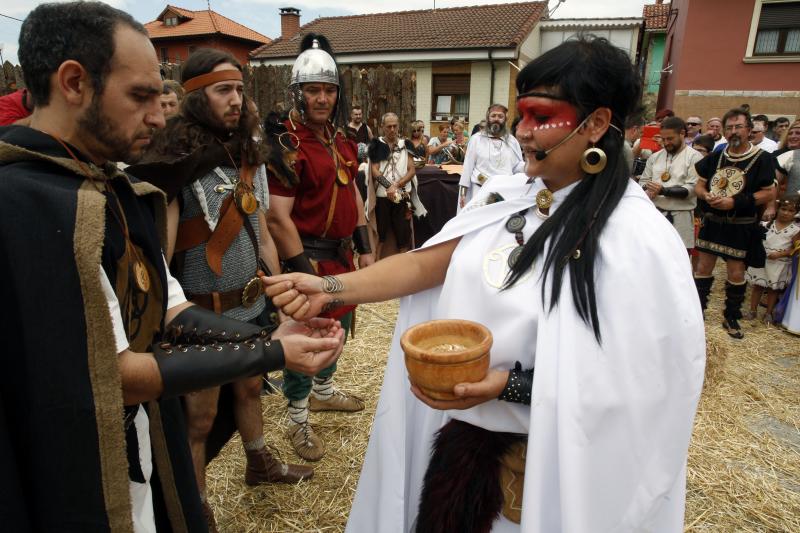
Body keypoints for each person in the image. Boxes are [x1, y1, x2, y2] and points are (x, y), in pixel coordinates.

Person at [265, 36, 705, 533]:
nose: (521, 133)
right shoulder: (510, 199)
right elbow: (423, 264)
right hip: (462, 466)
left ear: (597, 124)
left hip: (552, 478)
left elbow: (644, 386)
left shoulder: (637, 241)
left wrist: (511, 388)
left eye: (540, 117)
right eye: (521, 116)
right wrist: (330, 289)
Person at [0, 3, 344, 531]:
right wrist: (272, 351)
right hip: (66, 480)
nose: (160, 115)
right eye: (140, 96)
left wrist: (273, 332)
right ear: (73, 84)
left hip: (135, 455)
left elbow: (168, 307)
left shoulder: (113, 191)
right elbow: (114, 374)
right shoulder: (22, 207)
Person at [128, 48, 314, 531]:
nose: (236, 99)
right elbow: (162, 255)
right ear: (194, 97)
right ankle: (197, 509)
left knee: (251, 386)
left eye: (238, 89)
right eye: (221, 90)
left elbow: (265, 232)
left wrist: (279, 294)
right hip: (199, 313)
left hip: (250, 302)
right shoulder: (174, 163)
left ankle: (259, 462)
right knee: (200, 419)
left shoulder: (249, 152)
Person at [266, 34, 374, 462]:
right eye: (314, 90)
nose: (323, 98)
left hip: (341, 256)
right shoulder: (287, 145)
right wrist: (303, 269)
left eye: (329, 90)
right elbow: (277, 217)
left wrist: (365, 248)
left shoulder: (340, 139)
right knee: (307, 334)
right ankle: (296, 415)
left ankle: (323, 392)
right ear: (298, 93)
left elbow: (357, 199)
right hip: (307, 257)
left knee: (337, 329)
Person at [693, 108, 777, 339]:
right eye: (729, 128)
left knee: (736, 272)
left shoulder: (763, 159)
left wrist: (735, 201)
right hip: (713, 221)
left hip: (741, 223)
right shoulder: (716, 156)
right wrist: (705, 196)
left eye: (738, 127)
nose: (733, 132)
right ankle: (697, 313)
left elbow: (768, 194)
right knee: (702, 268)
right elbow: (698, 186)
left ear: (749, 130)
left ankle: (731, 318)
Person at [365, 112, 427, 258]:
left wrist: (398, 185)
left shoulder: (406, 144)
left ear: (398, 126)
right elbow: (374, 170)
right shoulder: (376, 144)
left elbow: (411, 170)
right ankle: (376, 267)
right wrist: (389, 186)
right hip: (382, 197)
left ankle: (402, 269)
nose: (392, 129)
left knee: (403, 236)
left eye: (395, 126)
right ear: (382, 127)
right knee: (380, 235)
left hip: (402, 196)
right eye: (388, 126)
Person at [639, 117, 703, 252]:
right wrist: (648, 190)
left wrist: (663, 191)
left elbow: (692, 188)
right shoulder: (655, 157)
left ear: (682, 134)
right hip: (655, 215)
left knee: (677, 261)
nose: (666, 143)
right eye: (663, 139)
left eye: (670, 138)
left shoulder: (694, 157)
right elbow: (643, 181)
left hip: (681, 217)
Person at [458, 103, 525, 210]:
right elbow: (468, 167)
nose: (496, 119)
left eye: (500, 116)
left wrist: (529, 166)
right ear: (488, 118)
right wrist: (463, 194)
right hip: (479, 192)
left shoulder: (512, 142)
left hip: (504, 194)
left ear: (505, 119)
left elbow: (517, 166)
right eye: (493, 116)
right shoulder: (476, 139)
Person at [745, 196, 800, 323]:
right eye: (783, 209)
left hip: (779, 264)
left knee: (773, 289)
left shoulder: (796, 230)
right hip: (762, 261)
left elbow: (795, 249)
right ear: (777, 209)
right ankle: (752, 310)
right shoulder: (767, 224)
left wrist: (780, 255)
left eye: (791, 211)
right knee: (757, 285)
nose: (786, 213)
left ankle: (769, 313)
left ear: (796, 213)